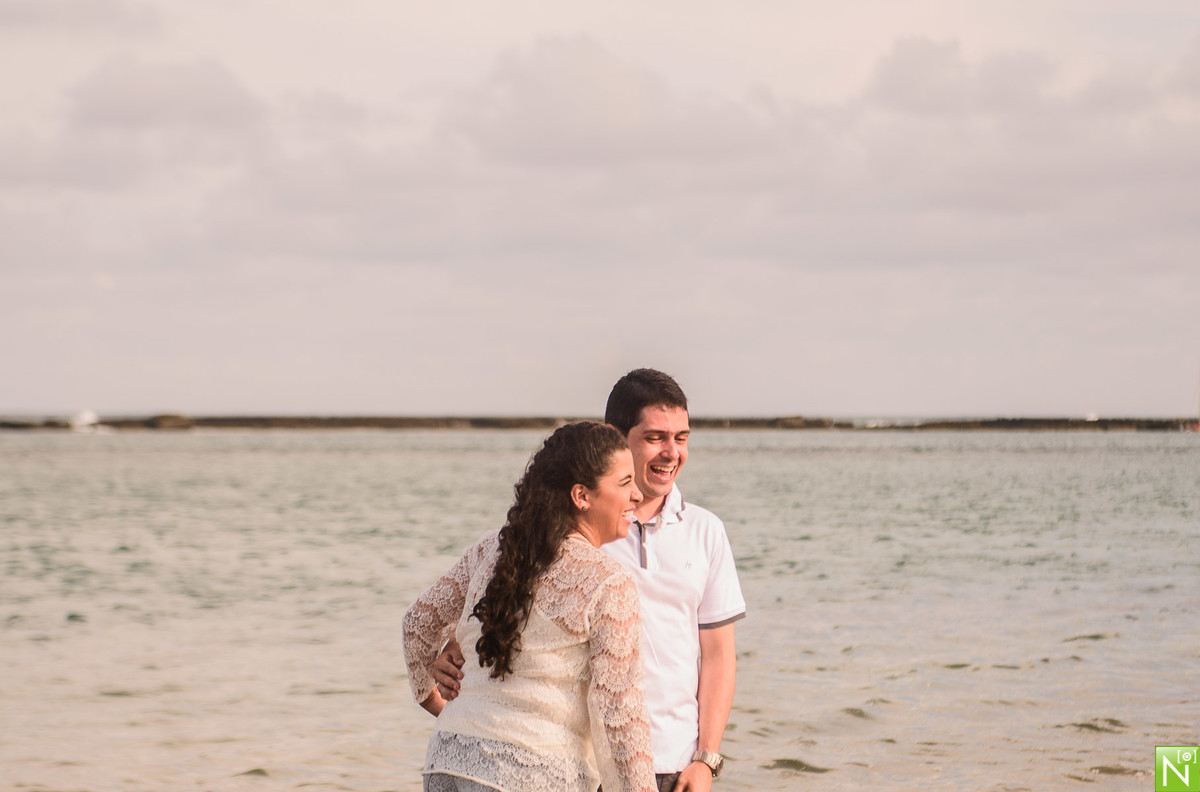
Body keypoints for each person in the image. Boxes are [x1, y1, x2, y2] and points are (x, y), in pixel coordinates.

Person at [436, 370, 746, 792]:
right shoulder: (571, 526)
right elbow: (507, 605)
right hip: (581, 765)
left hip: (676, 762)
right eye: (656, 437)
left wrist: (707, 759)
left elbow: (718, 655)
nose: (671, 452)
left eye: (682, 437)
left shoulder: (706, 531)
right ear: (616, 439)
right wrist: (455, 649)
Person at [402, 421, 657, 792]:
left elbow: (417, 624)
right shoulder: (609, 581)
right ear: (581, 495)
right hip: (533, 775)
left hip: (448, 760)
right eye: (624, 483)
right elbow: (619, 716)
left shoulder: (491, 549)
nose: (637, 494)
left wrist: (436, 704)